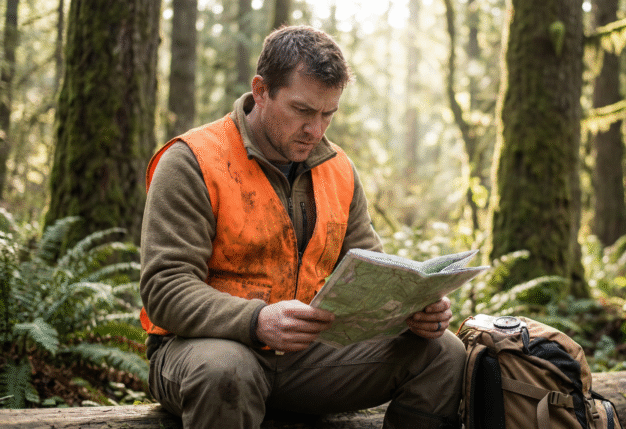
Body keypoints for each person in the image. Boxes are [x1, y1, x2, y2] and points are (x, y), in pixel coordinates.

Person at [139, 25, 466, 428]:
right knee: (227, 371)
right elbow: (164, 287)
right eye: (303, 111)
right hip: (200, 350)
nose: (317, 130)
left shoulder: (338, 169)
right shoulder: (192, 161)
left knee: (444, 353)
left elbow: (372, 272)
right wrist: (257, 320)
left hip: (306, 358)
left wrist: (413, 307)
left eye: (328, 114)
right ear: (261, 90)